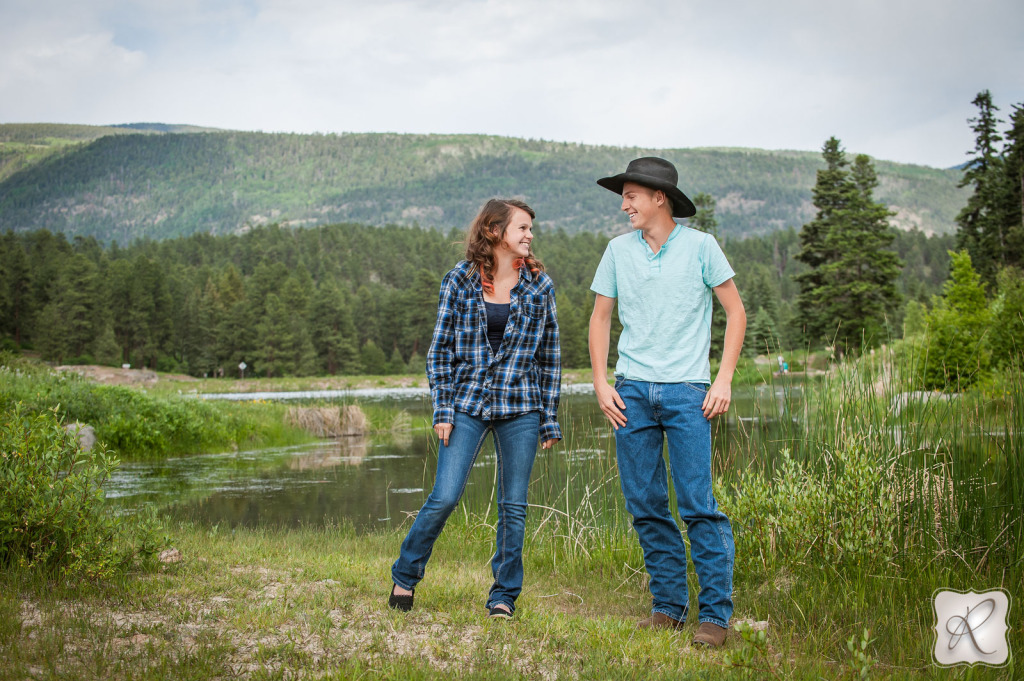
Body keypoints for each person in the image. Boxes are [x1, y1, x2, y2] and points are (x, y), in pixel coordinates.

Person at [588, 157, 746, 648]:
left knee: (699, 506)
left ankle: (715, 617)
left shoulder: (701, 246)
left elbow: (736, 312)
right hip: (630, 391)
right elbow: (599, 318)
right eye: (623, 195)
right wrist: (600, 381)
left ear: (660, 198)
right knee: (646, 505)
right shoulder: (617, 250)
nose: (624, 204)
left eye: (632, 195)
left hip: (688, 393)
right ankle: (669, 608)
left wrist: (722, 379)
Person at [389, 198, 561, 620]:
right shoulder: (460, 280)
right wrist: (443, 410)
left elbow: (550, 356)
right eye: (522, 228)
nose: (529, 236)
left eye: (530, 230)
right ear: (494, 231)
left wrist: (549, 417)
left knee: (513, 506)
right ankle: (405, 575)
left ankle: (503, 595)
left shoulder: (540, 285)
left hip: (521, 406)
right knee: (444, 496)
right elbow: (439, 352)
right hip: (466, 404)